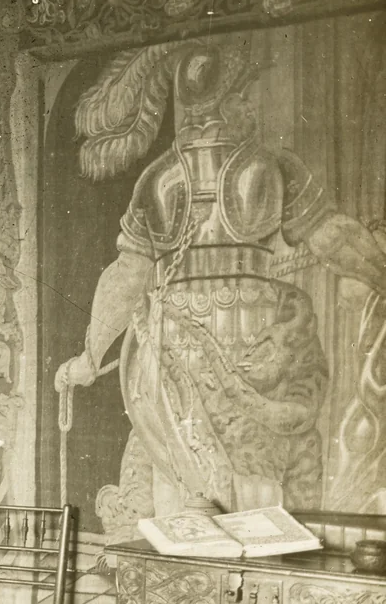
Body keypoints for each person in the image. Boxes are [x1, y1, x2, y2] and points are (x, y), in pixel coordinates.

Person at [56, 43, 386, 522]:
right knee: (261, 490)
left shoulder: (159, 179)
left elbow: (126, 276)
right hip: (256, 344)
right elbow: (335, 239)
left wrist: (91, 356)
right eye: (243, 94)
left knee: (182, 486)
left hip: (177, 350)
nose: (249, 106)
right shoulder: (271, 168)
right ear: (226, 99)